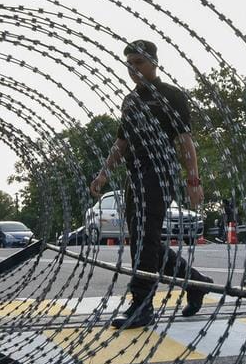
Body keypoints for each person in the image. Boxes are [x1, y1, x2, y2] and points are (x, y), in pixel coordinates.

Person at [89, 40, 210, 329]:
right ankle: (195, 282)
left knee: (146, 237)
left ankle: (142, 304)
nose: (134, 69)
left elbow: (184, 140)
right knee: (145, 239)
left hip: (160, 171)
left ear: (154, 62)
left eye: (139, 63)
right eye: (129, 64)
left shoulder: (171, 96)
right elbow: (122, 141)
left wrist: (193, 179)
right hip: (136, 173)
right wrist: (104, 172)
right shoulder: (130, 101)